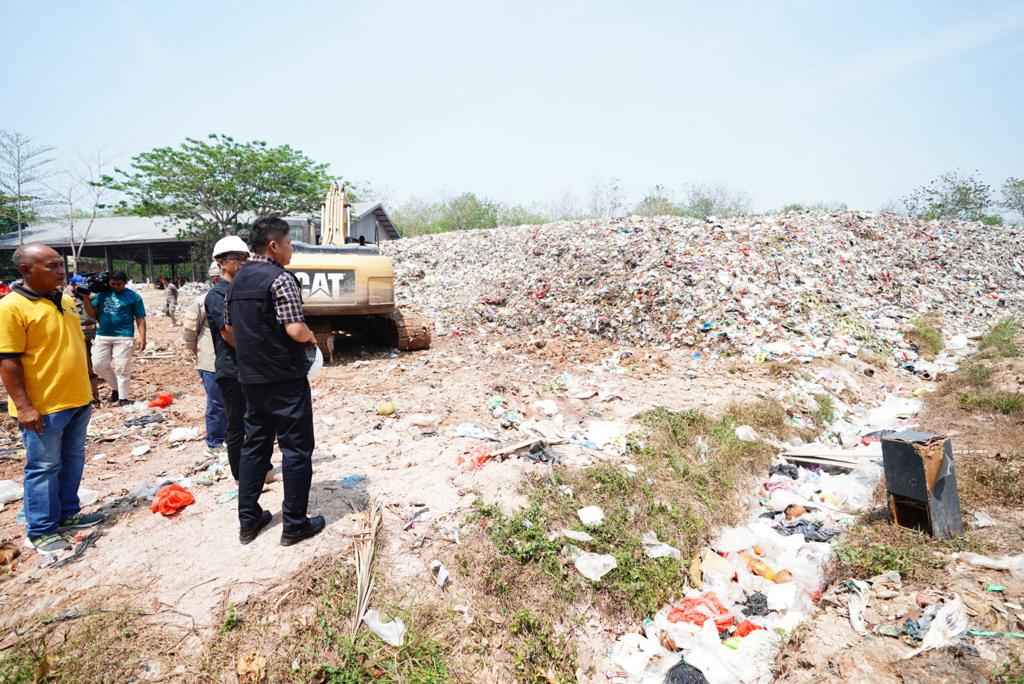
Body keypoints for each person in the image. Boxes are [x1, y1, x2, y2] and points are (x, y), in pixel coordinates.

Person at [225, 216, 323, 546]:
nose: (291, 248)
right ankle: (294, 523)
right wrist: (311, 339)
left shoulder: (236, 282)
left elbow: (230, 331)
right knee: (296, 449)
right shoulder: (281, 279)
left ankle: (248, 520)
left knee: (255, 446)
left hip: (250, 380)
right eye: (288, 242)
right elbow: (295, 329)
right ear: (273, 245)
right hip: (285, 379)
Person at [0, 244, 103, 554]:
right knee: (43, 467)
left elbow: (78, 343)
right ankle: (41, 529)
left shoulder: (66, 300)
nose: (61, 271)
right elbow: (7, 361)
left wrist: (91, 381)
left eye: (61, 264)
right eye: (52, 266)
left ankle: (68, 513)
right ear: (26, 270)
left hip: (77, 398)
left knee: (72, 459)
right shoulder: (11, 307)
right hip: (43, 406)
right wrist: (24, 406)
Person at [205, 236, 250, 482]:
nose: (242, 263)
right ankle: (240, 475)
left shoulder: (241, 291)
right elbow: (228, 334)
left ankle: (257, 469)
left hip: (249, 368)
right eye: (237, 259)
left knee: (255, 423)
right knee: (237, 426)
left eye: (245, 258)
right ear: (221, 263)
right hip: (232, 369)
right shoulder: (217, 295)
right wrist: (255, 352)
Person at [182, 262, 226, 455]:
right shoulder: (201, 301)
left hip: (229, 361)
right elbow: (189, 333)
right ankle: (215, 441)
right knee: (217, 402)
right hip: (211, 361)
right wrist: (199, 354)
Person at [91, 270, 146, 405]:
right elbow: (92, 313)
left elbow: (140, 317)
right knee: (98, 365)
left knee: (122, 368)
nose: (116, 286)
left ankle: (123, 398)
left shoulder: (133, 297)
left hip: (123, 336)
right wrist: (86, 298)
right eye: (113, 284)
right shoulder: (102, 294)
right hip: (103, 334)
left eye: (119, 284)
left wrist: (142, 337)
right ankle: (116, 388)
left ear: (125, 282)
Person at [67, 275, 100, 405]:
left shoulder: (91, 296)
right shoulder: (68, 299)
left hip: (93, 330)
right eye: (78, 285)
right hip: (79, 332)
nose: (80, 288)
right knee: (84, 359)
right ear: (73, 285)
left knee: (94, 356)